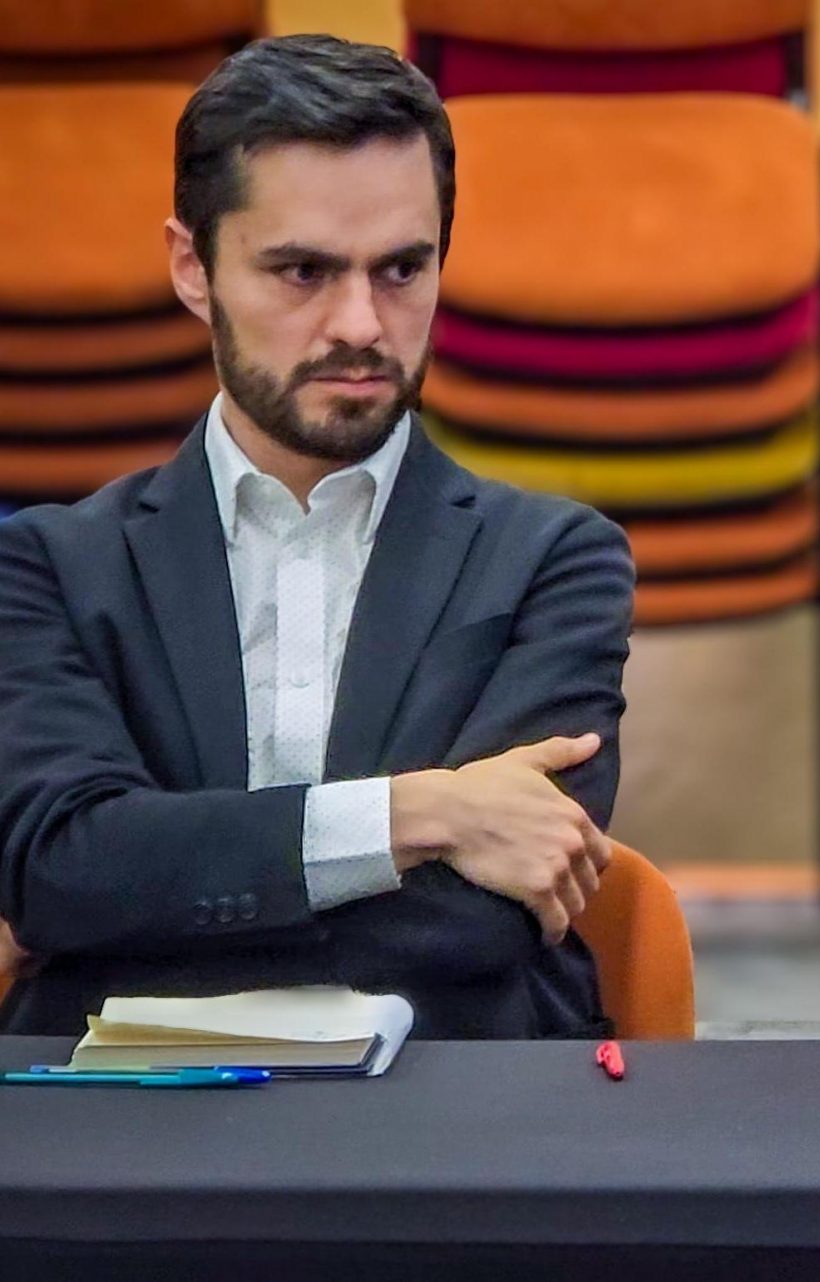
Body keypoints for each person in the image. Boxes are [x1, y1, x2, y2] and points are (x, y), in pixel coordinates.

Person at [0, 35, 631, 1038]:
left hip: (451, 1093)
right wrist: (419, 814)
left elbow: (483, 921)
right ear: (193, 267)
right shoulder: (47, 567)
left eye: (402, 269)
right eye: (303, 271)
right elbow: (59, 875)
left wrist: (158, 895)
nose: (361, 325)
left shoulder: (554, 560)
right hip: (127, 1101)